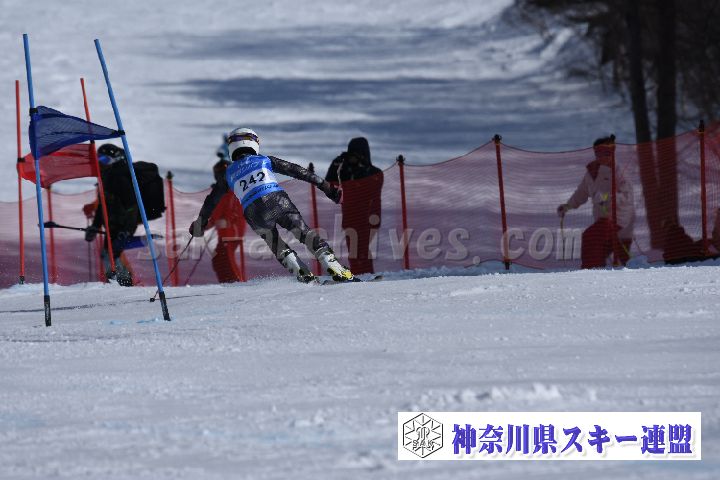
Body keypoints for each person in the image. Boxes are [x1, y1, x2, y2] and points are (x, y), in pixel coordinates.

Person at [189, 127, 354, 283]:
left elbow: (211, 200)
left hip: (253, 212)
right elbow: (297, 171)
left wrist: (200, 223)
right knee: (303, 232)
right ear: (253, 143)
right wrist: (327, 187)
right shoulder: (264, 160)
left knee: (275, 243)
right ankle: (333, 265)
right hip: (277, 200)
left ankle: (300, 271)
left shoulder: (227, 174)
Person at [557, 137, 635, 268]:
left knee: (591, 237)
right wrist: (568, 206)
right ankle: (598, 271)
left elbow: (626, 196)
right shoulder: (592, 171)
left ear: (612, 153)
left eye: (606, 153)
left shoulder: (619, 172)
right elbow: (581, 192)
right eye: (598, 153)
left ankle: (592, 270)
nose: (602, 157)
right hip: (601, 219)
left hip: (618, 220)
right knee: (608, 251)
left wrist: (607, 198)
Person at [325, 137, 383, 274]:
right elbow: (330, 186)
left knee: (362, 251)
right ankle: (360, 275)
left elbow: (371, 188)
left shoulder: (374, 172)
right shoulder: (345, 171)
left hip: (369, 219)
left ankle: (366, 275)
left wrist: (360, 168)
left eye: (356, 154)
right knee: (354, 252)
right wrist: (335, 166)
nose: (352, 158)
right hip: (350, 219)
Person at [83, 144, 138, 286]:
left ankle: (124, 284)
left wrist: (127, 230)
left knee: (111, 253)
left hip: (122, 224)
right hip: (112, 224)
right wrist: (95, 226)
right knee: (108, 254)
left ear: (116, 159)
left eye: (104, 160)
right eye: (99, 159)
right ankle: (118, 284)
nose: (101, 163)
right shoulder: (107, 177)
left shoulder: (121, 178)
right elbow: (103, 206)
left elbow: (133, 207)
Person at [205, 158, 247, 283]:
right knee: (219, 260)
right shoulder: (221, 192)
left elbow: (235, 211)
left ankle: (238, 284)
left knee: (225, 261)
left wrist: (227, 221)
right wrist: (205, 225)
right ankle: (229, 284)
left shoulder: (233, 192)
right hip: (225, 233)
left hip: (232, 232)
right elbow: (216, 214)